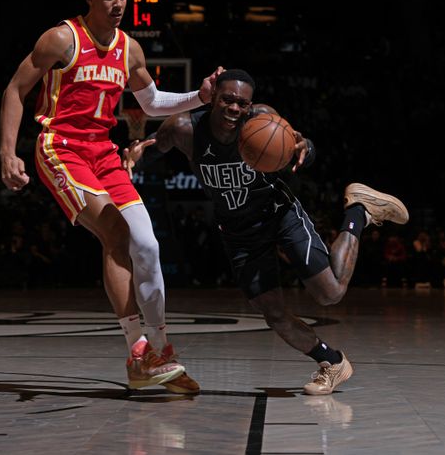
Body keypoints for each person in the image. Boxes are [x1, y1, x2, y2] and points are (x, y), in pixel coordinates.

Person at [0, 0, 219, 393]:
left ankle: (160, 349)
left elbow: (153, 104)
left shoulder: (130, 49)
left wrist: (202, 95)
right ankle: (138, 351)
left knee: (148, 246)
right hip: (60, 149)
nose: (118, 3)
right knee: (117, 234)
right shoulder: (62, 39)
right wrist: (8, 152)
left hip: (104, 154)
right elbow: (14, 90)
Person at [123, 69, 409, 395]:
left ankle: (357, 211)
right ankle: (332, 362)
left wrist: (307, 147)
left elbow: (303, 147)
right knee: (273, 314)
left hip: (278, 214)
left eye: (241, 103)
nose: (234, 108)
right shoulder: (184, 128)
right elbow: (152, 148)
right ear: (213, 96)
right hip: (238, 233)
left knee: (331, 293)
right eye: (228, 100)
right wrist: (136, 155)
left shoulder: (263, 119)